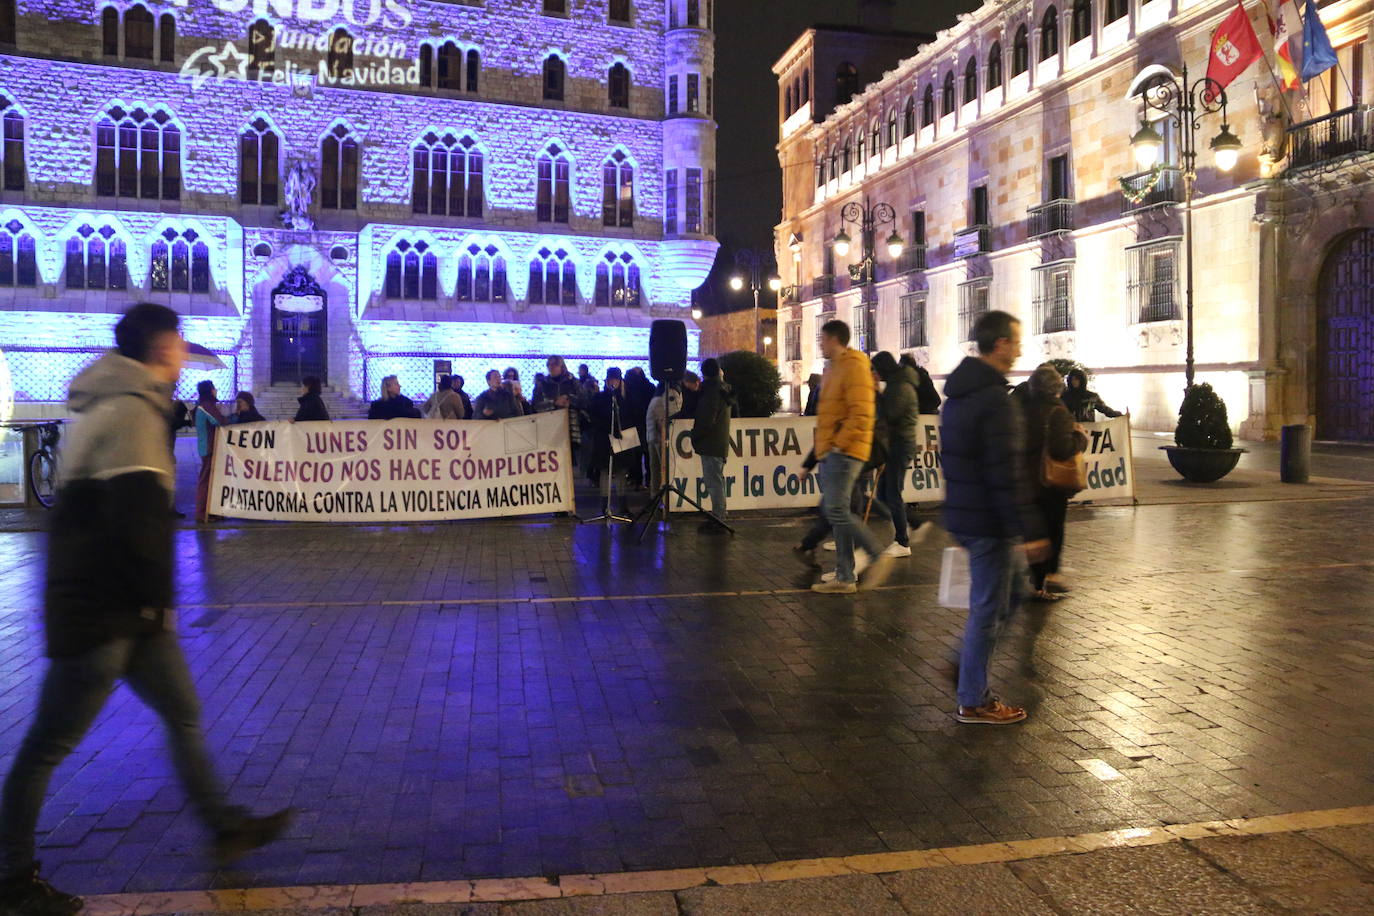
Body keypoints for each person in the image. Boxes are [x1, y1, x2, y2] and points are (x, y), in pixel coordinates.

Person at [0, 304, 291, 916]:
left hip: (127, 612)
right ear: (161, 348)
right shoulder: (132, 411)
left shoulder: (115, 402)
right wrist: (155, 607)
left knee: (182, 713)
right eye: (180, 342)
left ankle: (223, 826)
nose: (186, 354)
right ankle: (11, 880)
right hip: (107, 614)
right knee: (46, 746)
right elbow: (132, 525)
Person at [941, 310, 1050, 725]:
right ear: (1000, 344)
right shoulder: (994, 401)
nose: (1019, 349)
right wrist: (1029, 529)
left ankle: (964, 666)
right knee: (989, 609)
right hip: (990, 520)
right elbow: (1005, 473)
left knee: (1010, 597)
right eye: (1016, 341)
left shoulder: (958, 396)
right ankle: (973, 699)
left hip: (968, 515)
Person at [808, 320, 893, 594]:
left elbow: (861, 413)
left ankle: (876, 555)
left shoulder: (854, 366)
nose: (820, 343)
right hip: (834, 451)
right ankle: (845, 576)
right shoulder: (834, 368)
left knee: (836, 510)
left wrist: (838, 445)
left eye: (822, 338)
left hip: (845, 451)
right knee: (837, 512)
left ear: (834, 339)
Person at [1021, 365, 1088, 601]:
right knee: (1053, 531)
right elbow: (1062, 449)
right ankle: (1047, 578)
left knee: (1035, 533)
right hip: (1049, 483)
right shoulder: (1057, 412)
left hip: (1027, 481)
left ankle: (1037, 581)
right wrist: (1080, 438)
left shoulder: (1024, 409)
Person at [871, 352, 919, 557]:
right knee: (883, 493)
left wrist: (875, 392)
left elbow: (889, 414)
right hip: (895, 444)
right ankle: (909, 524)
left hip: (900, 445)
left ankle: (902, 541)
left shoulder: (900, 386)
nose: (874, 373)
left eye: (875, 369)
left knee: (892, 492)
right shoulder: (896, 383)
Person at [690, 358, 734, 528]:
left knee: (713, 481)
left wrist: (695, 435)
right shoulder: (723, 388)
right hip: (717, 442)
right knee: (717, 480)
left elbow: (707, 419)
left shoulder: (712, 391)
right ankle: (720, 513)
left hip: (711, 443)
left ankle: (719, 517)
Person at [533, 356, 584, 456]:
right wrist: (554, 402)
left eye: (554, 364)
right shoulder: (542, 384)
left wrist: (569, 399)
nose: (551, 367)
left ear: (562, 366)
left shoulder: (573, 382)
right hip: (550, 428)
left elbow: (584, 401)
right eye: (549, 365)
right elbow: (535, 405)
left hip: (571, 428)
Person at [588, 367, 629, 492]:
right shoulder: (600, 398)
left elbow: (630, 416)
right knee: (605, 470)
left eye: (615, 380)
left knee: (622, 469)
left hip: (622, 436)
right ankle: (605, 503)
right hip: (604, 437)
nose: (613, 383)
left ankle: (622, 503)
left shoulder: (625, 398)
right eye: (611, 380)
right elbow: (593, 415)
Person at [192, 380, 225, 523]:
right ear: (209, 391)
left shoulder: (204, 406)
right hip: (208, 448)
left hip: (207, 447)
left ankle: (210, 511)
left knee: (210, 480)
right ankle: (202, 513)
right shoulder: (206, 406)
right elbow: (219, 421)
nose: (216, 390)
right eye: (214, 388)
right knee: (206, 480)